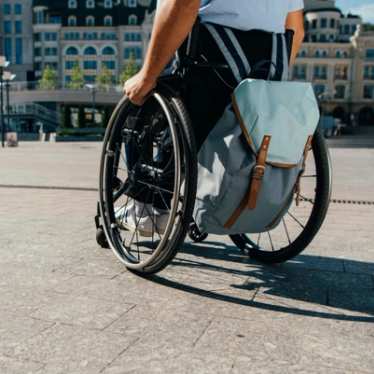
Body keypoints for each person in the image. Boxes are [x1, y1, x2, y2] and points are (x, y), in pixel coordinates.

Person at [119, 0, 305, 235]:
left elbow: (183, 5)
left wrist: (146, 76)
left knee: (139, 103)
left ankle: (147, 206)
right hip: (270, 60)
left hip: (212, 54)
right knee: (203, 115)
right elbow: (296, 27)